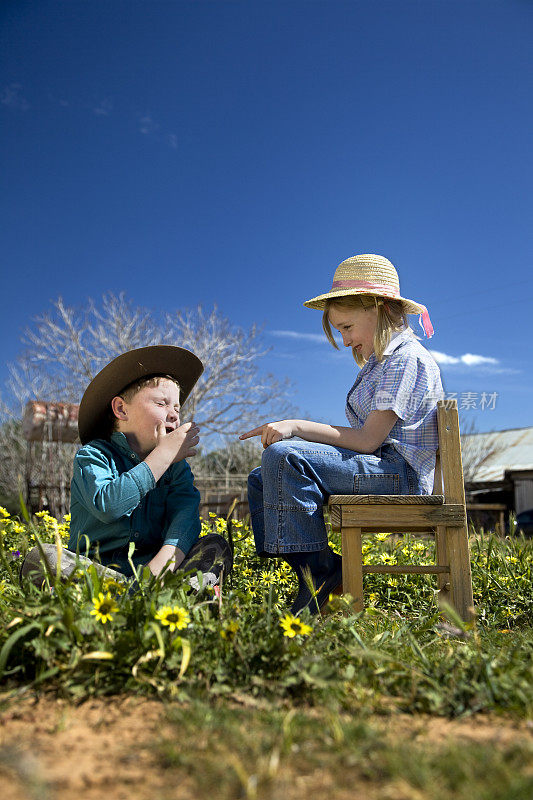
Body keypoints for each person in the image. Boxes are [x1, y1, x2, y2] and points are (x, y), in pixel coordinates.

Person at [240, 253, 443, 615]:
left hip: (401, 476)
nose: (346, 340)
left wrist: (296, 426)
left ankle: (320, 576)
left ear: (377, 309)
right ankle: (318, 569)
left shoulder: (405, 359)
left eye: (347, 327)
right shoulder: (383, 362)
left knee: (283, 457)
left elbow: (367, 441)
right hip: (381, 468)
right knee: (261, 478)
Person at [68, 345, 232, 583]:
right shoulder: (93, 455)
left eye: (177, 407)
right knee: (46, 558)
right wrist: (162, 455)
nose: (174, 414)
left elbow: (185, 519)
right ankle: (120, 592)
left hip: (155, 570)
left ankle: (174, 594)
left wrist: (156, 571)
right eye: (161, 403)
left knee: (215, 545)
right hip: (95, 570)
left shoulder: (177, 468)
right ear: (121, 409)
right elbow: (109, 506)